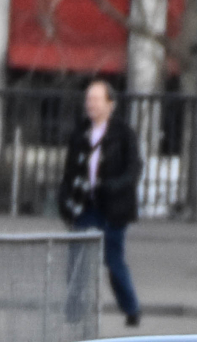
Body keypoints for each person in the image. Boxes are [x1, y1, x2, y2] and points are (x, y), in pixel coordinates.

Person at [56, 78, 142, 327]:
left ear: (110, 104)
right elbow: (70, 172)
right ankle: (74, 310)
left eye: (95, 99)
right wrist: (65, 202)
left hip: (114, 208)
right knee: (77, 258)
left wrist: (114, 187)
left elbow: (133, 169)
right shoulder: (80, 133)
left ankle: (131, 309)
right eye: (88, 99)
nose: (90, 104)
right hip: (85, 206)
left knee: (113, 261)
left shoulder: (123, 133)